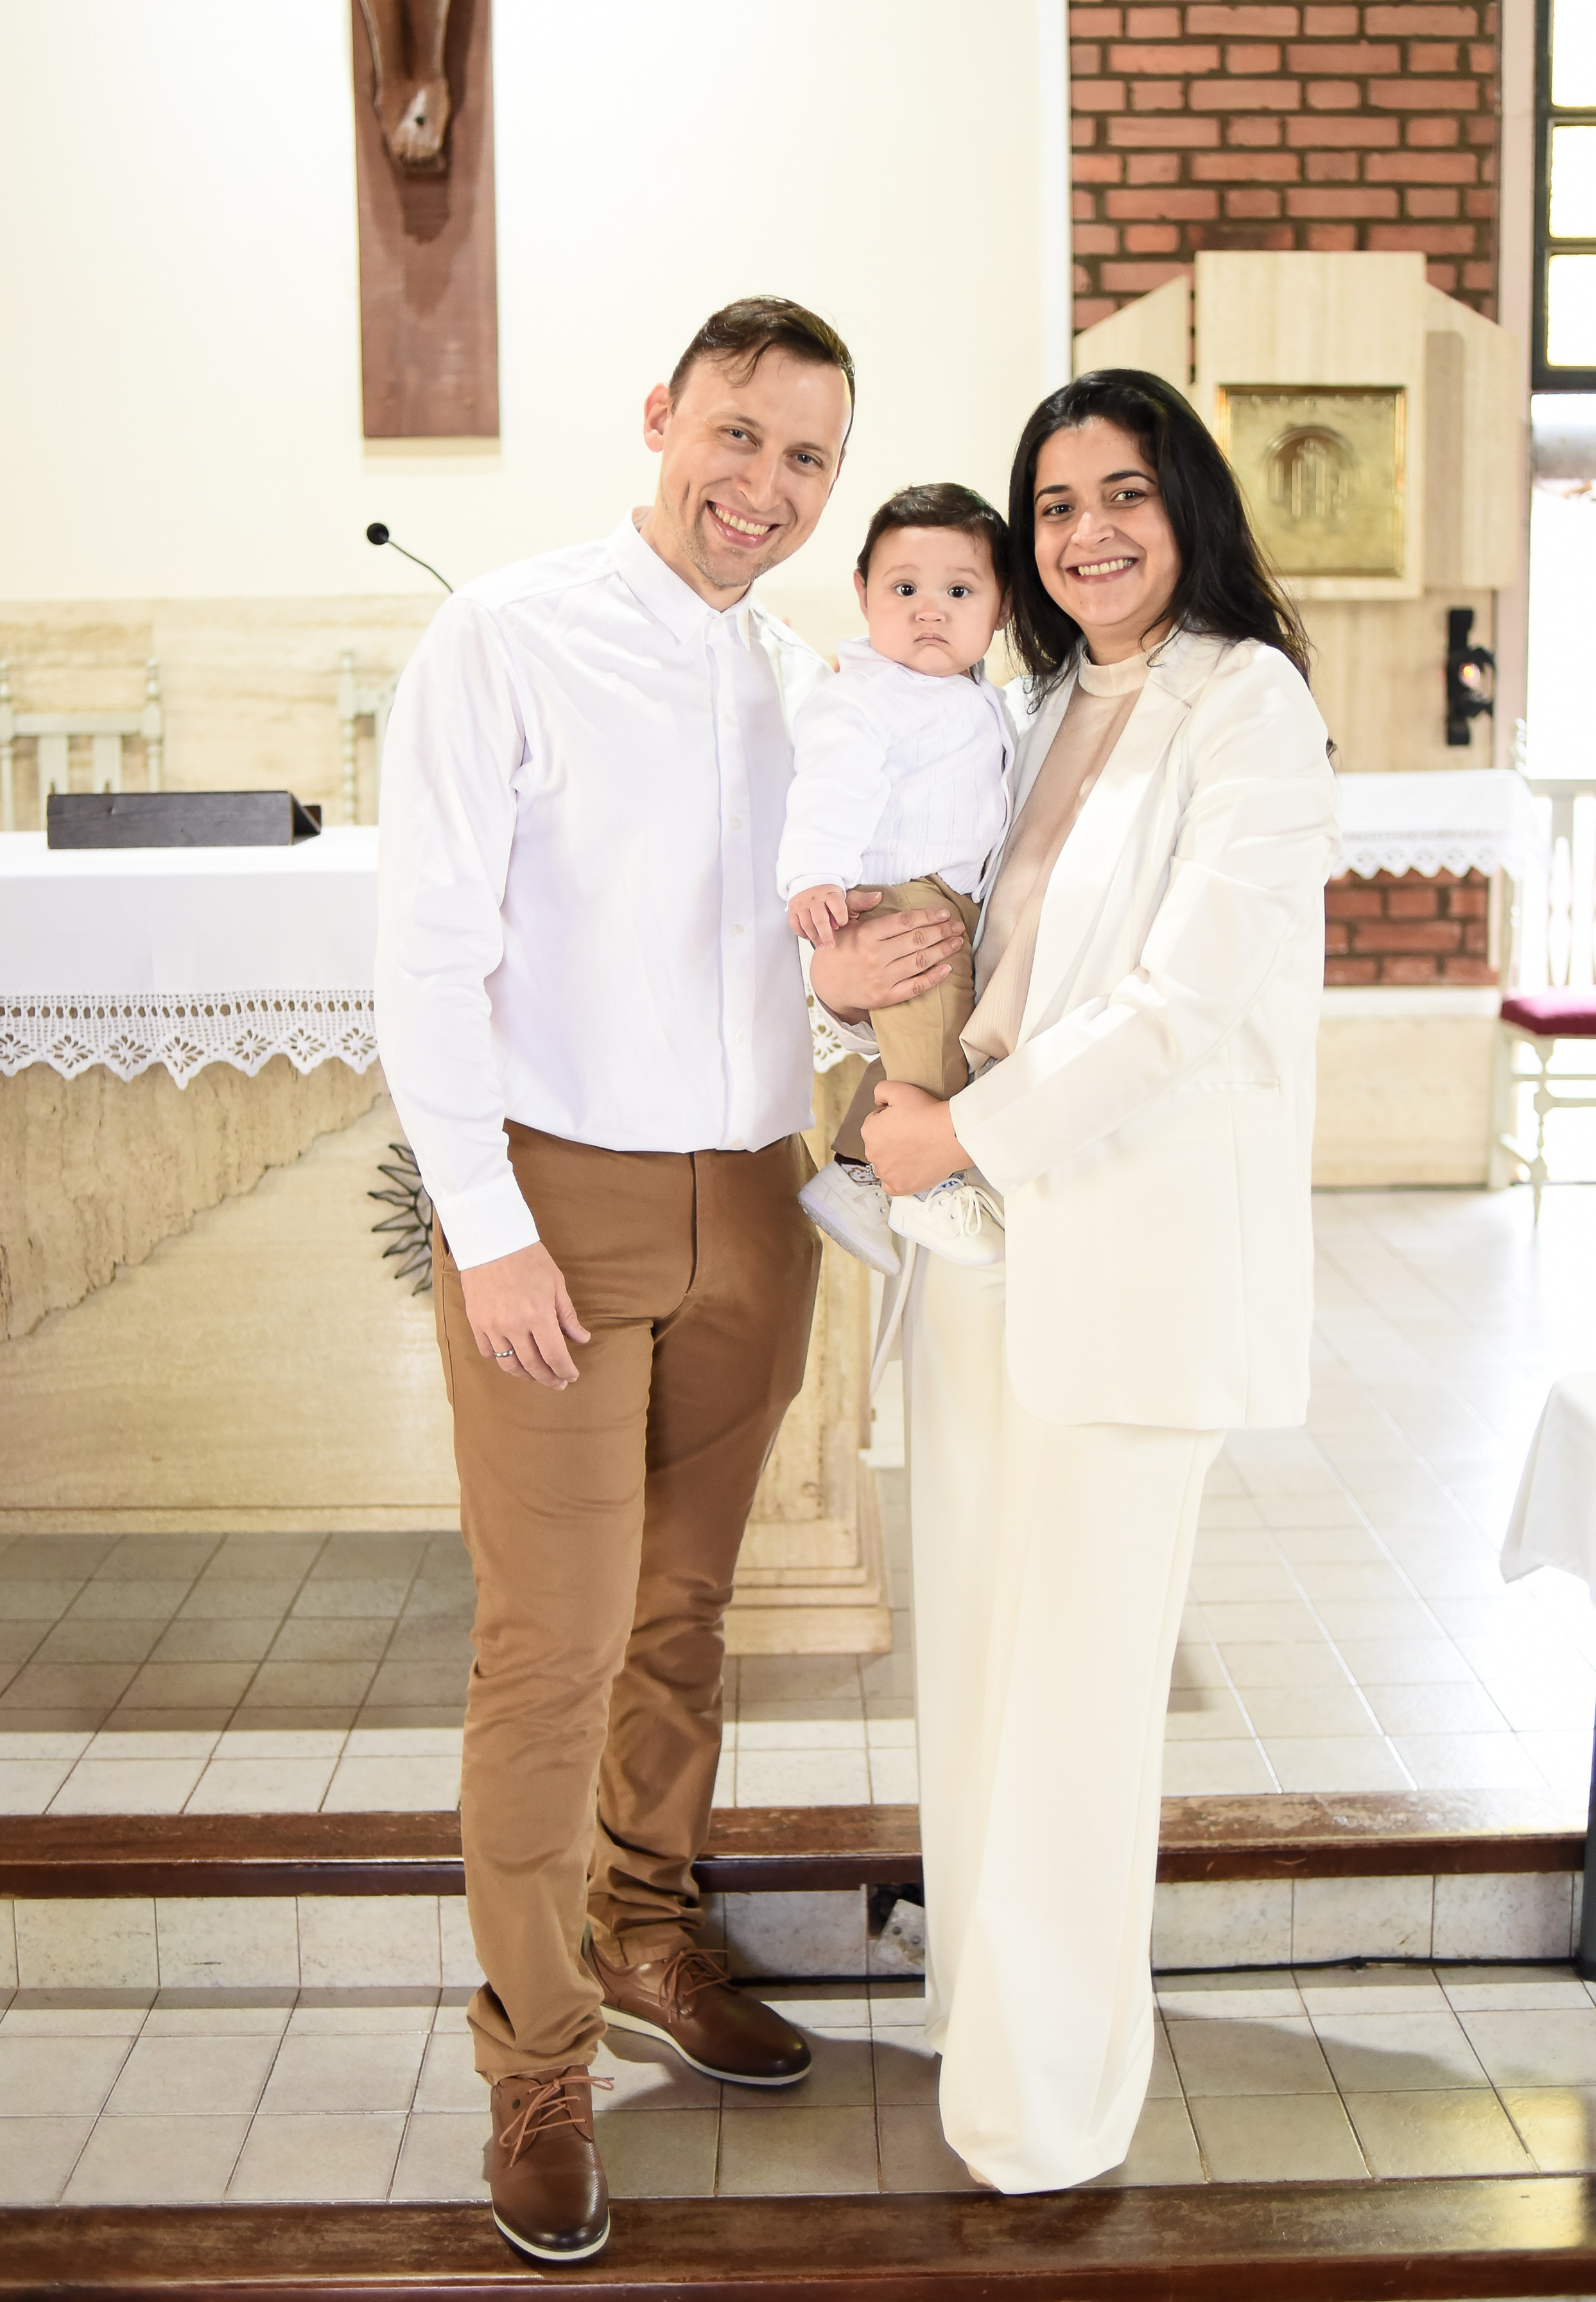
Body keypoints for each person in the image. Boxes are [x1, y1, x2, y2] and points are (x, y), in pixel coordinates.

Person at [373, 297, 968, 2263]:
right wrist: (486, 1220)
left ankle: (643, 1928)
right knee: (547, 1642)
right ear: (660, 418)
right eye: (738, 435)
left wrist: (874, 973)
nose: (764, 486)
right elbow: (428, 942)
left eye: (807, 458)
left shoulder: (814, 682)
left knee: (686, 1618)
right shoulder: (508, 634)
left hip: (749, 1198)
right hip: (563, 1202)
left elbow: (783, 935)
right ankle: (533, 2059)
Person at [810, 368, 1340, 2193]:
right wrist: (862, 967)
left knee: (1079, 1694)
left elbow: (1189, 1009)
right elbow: (977, 926)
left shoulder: (1245, 704)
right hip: (977, 1258)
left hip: (1117, 1242)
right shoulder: (1042, 703)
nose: (1088, 530)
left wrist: (967, 1138)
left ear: (1186, 501)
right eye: (1053, 506)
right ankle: (982, 2016)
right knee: (971, 1656)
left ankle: (1050, 2109)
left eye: (1124, 491)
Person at [779, 483, 1013, 1275]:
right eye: (903, 589)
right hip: (897, 897)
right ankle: (928, 1187)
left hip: (957, 894)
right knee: (935, 1046)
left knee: (932, 1035)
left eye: (958, 591)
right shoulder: (860, 696)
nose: (929, 611)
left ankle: (853, 1175)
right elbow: (829, 786)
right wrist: (814, 874)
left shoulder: (979, 695)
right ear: (862, 593)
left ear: (1002, 606)